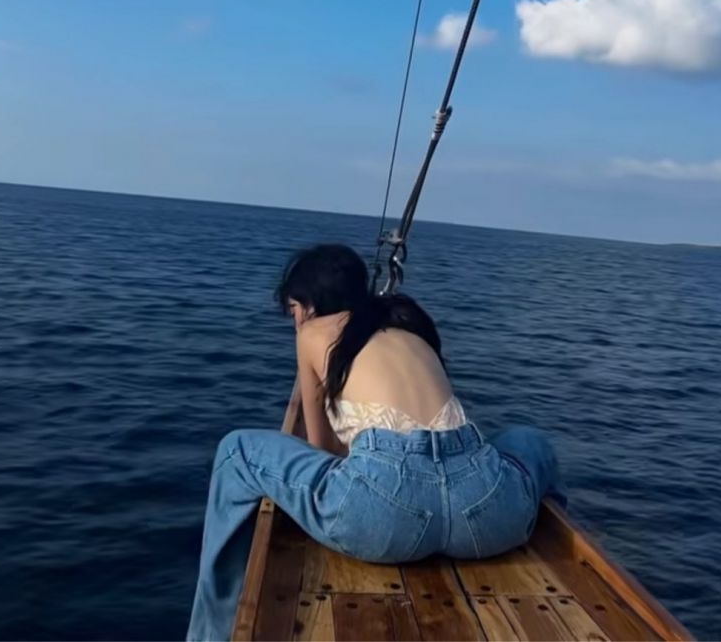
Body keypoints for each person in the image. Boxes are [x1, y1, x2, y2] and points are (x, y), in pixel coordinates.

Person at [186, 244, 564, 641]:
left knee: (235, 451)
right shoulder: (408, 323)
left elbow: (322, 448)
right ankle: (558, 555)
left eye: (293, 309)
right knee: (529, 441)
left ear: (309, 305)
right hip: (487, 513)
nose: (295, 321)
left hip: (386, 520)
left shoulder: (314, 332)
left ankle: (211, 635)